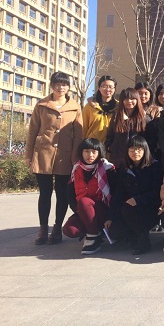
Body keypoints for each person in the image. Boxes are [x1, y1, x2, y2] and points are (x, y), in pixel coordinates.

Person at [25, 71, 83, 245]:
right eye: (57, 84)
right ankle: (43, 228)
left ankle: (57, 228)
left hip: (65, 156)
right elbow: (32, 131)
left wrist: (75, 156)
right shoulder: (42, 105)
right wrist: (28, 154)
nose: (60, 88)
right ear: (51, 85)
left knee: (62, 193)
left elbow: (78, 135)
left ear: (68, 87)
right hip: (42, 153)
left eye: (64, 84)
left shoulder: (75, 107)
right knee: (45, 193)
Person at [106, 136, 163, 255]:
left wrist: (138, 200)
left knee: (128, 208)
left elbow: (158, 192)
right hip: (130, 210)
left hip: (151, 209)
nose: (135, 152)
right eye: (132, 149)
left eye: (139, 149)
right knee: (114, 232)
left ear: (145, 150)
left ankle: (143, 239)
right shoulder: (124, 168)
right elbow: (118, 194)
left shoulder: (155, 166)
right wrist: (111, 216)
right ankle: (135, 235)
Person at [62, 138, 116, 255]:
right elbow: (70, 194)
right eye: (86, 151)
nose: (90, 155)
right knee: (70, 230)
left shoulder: (108, 169)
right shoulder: (76, 169)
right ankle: (95, 234)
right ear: (81, 153)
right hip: (83, 210)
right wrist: (78, 210)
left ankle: (92, 237)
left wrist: (110, 216)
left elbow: (116, 194)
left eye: (94, 152)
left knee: (84, 202)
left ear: (99, 153)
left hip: (103, 210)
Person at [105, 88, 149, 169]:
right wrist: (110, 147)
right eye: (126, 99)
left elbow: (150, 138)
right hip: (118, 158)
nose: (129, 101)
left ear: (137, 100)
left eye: (132, 99)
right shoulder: (116, 117)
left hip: (137, 158)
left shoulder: (144, 118)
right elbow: (110, 135)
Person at [82, 75, 117, 143]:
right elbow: (83, 128)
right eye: (104, 86)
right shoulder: (89, 106)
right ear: (99, 88)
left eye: (110, 87)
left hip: (113, 146)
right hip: (93, 146)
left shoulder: (118, 107)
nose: (108, 89)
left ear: (114, 89)